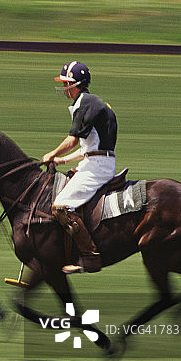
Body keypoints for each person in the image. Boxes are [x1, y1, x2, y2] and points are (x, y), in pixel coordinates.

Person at [41, 61, 118, 274]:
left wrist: (52, 153)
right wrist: (63, 161)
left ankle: (90, 256)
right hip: (95, 160)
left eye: (66, 83)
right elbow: (89, 147)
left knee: (61, 206)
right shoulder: (88, 102)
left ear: (76, 84)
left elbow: (73, 140)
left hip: (98, 167)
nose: (64, 87)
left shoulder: (84, 102)